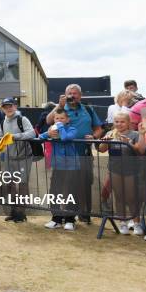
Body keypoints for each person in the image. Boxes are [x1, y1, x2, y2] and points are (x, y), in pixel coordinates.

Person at [46, 84, 102, 222]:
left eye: (75, 93)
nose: (72, 95)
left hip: (84, 153)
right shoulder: (60, 108)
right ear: (65, 95)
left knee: (83, 184)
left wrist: (94, 136)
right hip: (63, 154)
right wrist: (58, 105)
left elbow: (99, 128)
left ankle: (83, 214)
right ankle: (58, 215)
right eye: (69, 93)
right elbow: (48, 121)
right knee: (59, 185)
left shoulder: (88, 109)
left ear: (80, 95)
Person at [98, 112, 143, 236]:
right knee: (119, 196)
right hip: (115, 169)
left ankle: (136, 223)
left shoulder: (135, 134)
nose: (119, 124)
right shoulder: (110, 133)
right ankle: (123, 223)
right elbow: (101, 149)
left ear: (128, 123)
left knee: (131, 197)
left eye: (122, 121)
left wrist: (129, 143)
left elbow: (140, 151)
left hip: (131, 170)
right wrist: (105, 141)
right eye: (117, 121)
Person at [39, 108, 80, 230]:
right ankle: (56, 219)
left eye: (62, 118)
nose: (59, 121)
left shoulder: (72, 129)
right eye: (57, 118)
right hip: (58, 165)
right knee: (55, 192)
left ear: (68, 119)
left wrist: (59, 127)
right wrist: (48, 134)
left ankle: (70, 219)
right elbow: (41, 137)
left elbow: (66, 138)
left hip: (72, 166)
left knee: (71, 192)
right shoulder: (52, 129)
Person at [0, 97, 35, 222]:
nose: (8, 108)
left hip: (23, 157)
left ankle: (21, 213)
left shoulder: (22, 119)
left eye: (10, 105)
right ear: (2, 109)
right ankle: (13, 211)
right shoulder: (3, 121)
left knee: (22, 185)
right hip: (9, 158)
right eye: (5, 106)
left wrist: (14, 137)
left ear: (15, 106)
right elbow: (1, 137)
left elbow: (32, 133)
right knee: (10, 185)